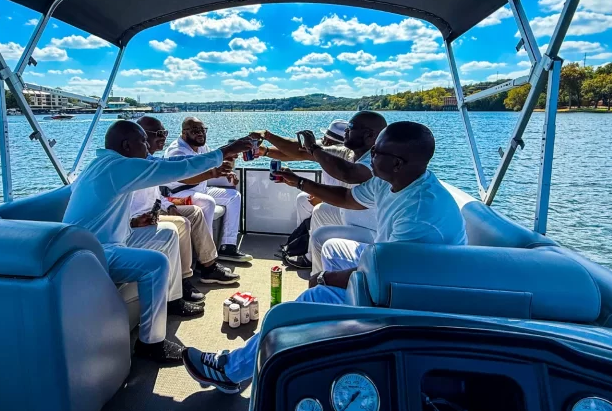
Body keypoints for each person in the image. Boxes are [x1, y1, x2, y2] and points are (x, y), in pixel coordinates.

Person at [183, 121, 468, 392]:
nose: (371, 157)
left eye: (377, 153)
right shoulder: (392, 179)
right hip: (393, 267)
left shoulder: (420, 212)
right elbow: (347, 199)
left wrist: (326, 278)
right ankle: (334, 329)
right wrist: (298, 182)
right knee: (332, 246)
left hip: (413, 299)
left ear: (397, 162)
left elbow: (382, 279)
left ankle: (230, 371)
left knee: (304, 304)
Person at [63, 120, 253, 363]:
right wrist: (225, 151)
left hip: (110, 241)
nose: (147, 146)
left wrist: (220, 156)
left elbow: (170, 164)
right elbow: (175, 169)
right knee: (155, 264)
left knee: (167, 235)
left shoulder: (108, 163)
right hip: (91, 254)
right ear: (126, 145)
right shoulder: (116, 168)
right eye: (143, 141)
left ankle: (173, 300)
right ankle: (150, 344)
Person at [252, 111, 387, 272]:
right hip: (352, 216)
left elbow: (349, 174)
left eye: (350, 127)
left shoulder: (377, 159)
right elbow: (300, 151)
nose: (346, 130)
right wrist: (267, 136)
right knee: (321, 211)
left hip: (372, 231)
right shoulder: (349, 153)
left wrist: (302, 177)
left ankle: (320, 280)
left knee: (320, 237)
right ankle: (315, 266)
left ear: (369, 135)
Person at [133, 116, 240, 298]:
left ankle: (214, 259)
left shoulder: (149, 160)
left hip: (174, 201)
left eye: (164, 133)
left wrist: (164, 205)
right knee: (200, 208)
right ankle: (187, 277)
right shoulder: (174, 152)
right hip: (179, 194)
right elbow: (185, 172)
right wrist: (168, 204)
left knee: (225, 199)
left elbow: (155, 191)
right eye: (158, 134)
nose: (200, 133)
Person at [165, 117, 252, 262]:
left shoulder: (201, 146)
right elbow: (186, 178)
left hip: (200, 189)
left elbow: (213, 163)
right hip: (177, 194)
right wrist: (214, 172)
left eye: (202, 130)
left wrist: (227, 172)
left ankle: (228, 246)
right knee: (208, 202)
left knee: (233, 196)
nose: (200, 133)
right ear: (184, 133)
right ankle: (207, 256)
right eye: (195, 131)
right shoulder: (177, 152)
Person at [256, 119, 349, 224]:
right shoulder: (329, 153)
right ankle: (304, 233)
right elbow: (298, 153)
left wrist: (267, 135)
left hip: (345, 207)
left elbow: (297, 152)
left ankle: (309, 235)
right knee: (303, 199)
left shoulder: (341, 157)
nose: (323, 141)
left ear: (331, 143)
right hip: (334, 196)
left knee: (319, 210)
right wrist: (265, 151)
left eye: (325, 140)